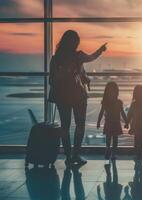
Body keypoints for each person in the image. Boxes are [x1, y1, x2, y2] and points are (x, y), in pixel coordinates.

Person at [49, 30, 107, 166]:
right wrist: (100, 50)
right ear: (75, 43)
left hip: (61, 96)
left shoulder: (55, 59)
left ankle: (69, 156)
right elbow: (92, 57)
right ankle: (75, 155)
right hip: (78, 95)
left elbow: (51, 80)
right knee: (80, 125)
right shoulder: (78, 56)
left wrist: (62, 75)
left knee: (65, 126)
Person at [97, 82, 127, 160]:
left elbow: (122, 113)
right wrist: (98, 121)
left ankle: (111, 151)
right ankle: (110, 151)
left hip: (112, 123)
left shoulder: (112, 102)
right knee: (111, 138)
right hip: (113, 123)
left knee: (112, 138)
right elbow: (101, 112)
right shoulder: (116, 102)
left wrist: (127, 121)